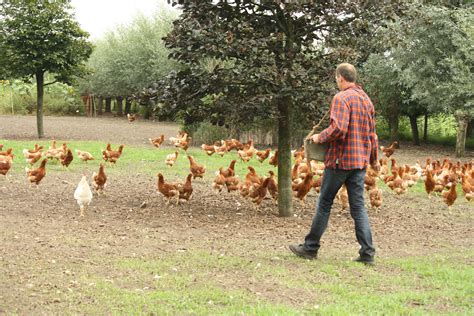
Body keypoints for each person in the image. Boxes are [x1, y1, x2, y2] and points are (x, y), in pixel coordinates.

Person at [289, 63, 379, 265]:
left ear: (340, 77)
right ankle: (367, 253)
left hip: (340, 162)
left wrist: (320, 137)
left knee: (324, 203)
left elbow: (339, 128)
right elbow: (372, 135)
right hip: (359, 163)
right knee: (358, 207)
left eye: (336, 78)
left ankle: (310, 248)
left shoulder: (341, 98)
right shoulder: (366, 100)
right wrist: (373, 159)